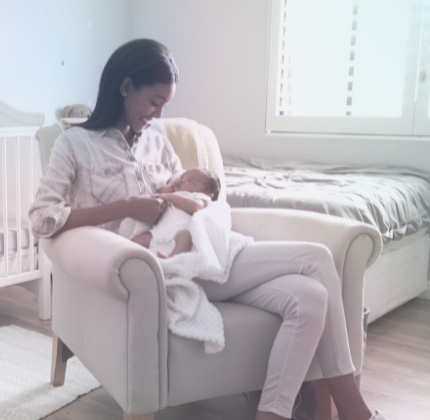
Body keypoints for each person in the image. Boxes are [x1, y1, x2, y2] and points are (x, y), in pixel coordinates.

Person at [28, 39, 386, 420]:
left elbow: (195, 199)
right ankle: (356, 413)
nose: (158, 113)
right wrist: (127, 207)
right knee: (316, 258)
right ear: (125, 86)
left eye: (165, 104)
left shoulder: (157, 142)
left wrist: (193, 204)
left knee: (311, 297)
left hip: (204, 254)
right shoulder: (75, 145)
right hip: (159, 270)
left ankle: (273, 414)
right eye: (154, 101)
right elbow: (42, 217)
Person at [121, 167, 221, 258]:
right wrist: (170, 188)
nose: (182, 180)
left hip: (179, 232)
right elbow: (159, 192)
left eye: (190, 181)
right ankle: (126, 258)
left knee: (186, 238)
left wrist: (170, 197)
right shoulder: (173, 192)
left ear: (208, 194)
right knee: (136, 241)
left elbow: (196, 207)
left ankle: (172, 259)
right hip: (157, 233)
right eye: (182, 177)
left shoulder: (200, 197)